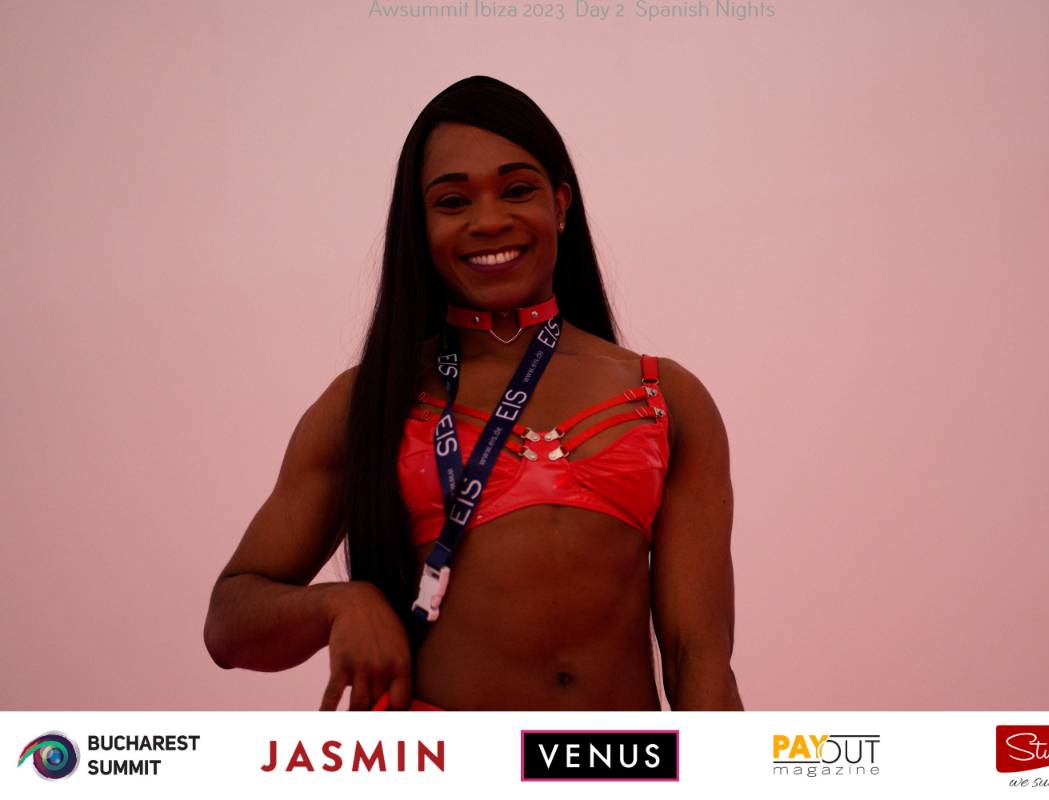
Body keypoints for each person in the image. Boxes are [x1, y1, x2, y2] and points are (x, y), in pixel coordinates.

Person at [203, 76, 742, 711]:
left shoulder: (666, 397)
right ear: (421, 224)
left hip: (613, 759)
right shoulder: (370, 400)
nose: (489, 221)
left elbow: (698, 656)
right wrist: (341, 604)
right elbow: (229, 621)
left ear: (560, 203)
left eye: (517, 190)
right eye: (454, 201)